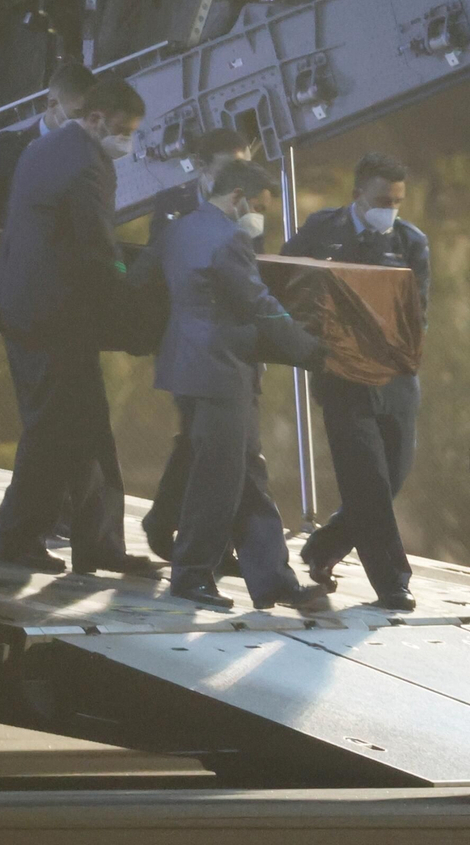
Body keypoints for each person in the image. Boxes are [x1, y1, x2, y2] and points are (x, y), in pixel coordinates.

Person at [133, 160, 329, 610]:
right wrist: (308, 349)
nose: (259, 217)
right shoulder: (230, 240)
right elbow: (259, 304)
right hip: (221, 370)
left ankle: (273, 578)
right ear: (238, 196)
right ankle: (192, 574)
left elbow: (141, 279)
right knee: (218, 480)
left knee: (246, 474)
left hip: (185, 366)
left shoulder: (178, 230)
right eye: (258, 206)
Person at [0, 76, 155, 576]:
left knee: (85, 426)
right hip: (52, 316)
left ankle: (99, 543)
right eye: (124, 130)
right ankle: (18, 536)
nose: (128, 141)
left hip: (27, 307)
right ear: (97, 119)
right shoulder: (87, 163)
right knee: (55, 430)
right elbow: (98, 249)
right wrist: (131, 304)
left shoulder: (46, 146)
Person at [281, 151, 429, 611]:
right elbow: (285, 282)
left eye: (398, 201)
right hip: (342, 378)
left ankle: (324, 547)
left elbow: (417, 312)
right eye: (383, 199)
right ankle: (392, 583)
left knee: (392, 477)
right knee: (367, 480)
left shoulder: (409, 242)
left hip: (394, 379)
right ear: (357, 195)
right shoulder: (323, 230)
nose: (391, 208)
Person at [141, 126, 257, 562]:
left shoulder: (245, 206)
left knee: (210, 441)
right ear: (204, 168)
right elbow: (159, 264)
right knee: (208, 440)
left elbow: (253, 265)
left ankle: (187, 528)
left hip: (231, 343)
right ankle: (202, 540)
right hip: (190, 338)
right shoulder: (174, 204)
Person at [0, 62, 96, 227]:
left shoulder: (87, 158)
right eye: (78, 113)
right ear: (53, 105)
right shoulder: (8, 150)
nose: (85, 123)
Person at [147, 126, 253, 243]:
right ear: (201, 165)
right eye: (226, 171)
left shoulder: (250, 205)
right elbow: (156, 252)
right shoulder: (171, 202)